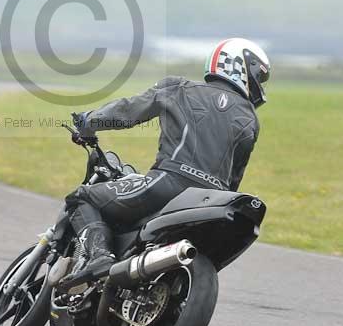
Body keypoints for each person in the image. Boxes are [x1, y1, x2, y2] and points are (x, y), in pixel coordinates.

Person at [61, 38, 270, 288]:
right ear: (240, 67)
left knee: (81, 197)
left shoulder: (179, 88)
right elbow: (236, 176)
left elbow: (128, 111)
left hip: (167, 183)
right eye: (259, 75)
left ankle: (99, 256)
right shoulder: (249, 118)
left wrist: (88, 122)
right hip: (212, 201)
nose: (259, 83)